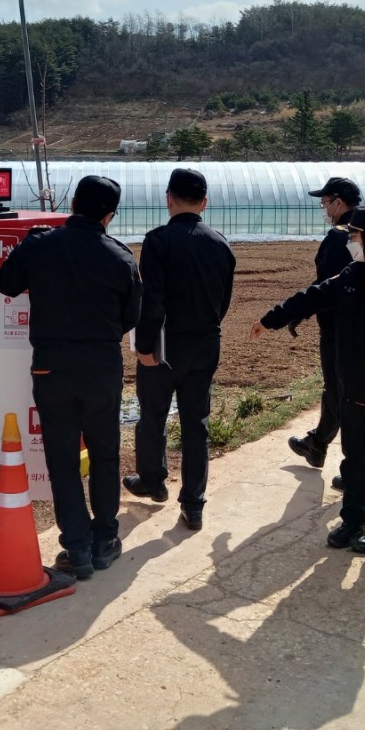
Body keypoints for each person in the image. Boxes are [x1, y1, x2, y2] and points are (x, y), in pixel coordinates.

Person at [250, 206, 365, 554]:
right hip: (351, 388)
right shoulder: (354, 275)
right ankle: (353, 520)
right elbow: (314, 295)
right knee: (353, 460)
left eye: (354, 235)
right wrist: (272, 318)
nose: (350, 241)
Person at [0, 175, 143, 580]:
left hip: (52, 368)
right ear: (110, 215)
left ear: (73, 203)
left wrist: (27, 244)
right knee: (105, 452)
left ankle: (76, 548)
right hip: (101, 369)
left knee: (62, 458)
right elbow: (131, 316)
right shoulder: (121, 257)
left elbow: (6, 283)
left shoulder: (41, 245)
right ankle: (105, 540)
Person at [123, 168, 236, 532]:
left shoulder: (158, 241)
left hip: (165, 343)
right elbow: (223, 301)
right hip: (205, 342)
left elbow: (152, 300)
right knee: (196, 422)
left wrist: (145, 345)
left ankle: (153, 481)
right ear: (204, 202)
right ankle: (194, 503)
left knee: (153, 414)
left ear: (168, 198)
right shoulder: (221, 244)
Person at [287, 176, 362, 485]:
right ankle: (317, 443)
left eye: (325, 202)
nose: (323, 208)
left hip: (338, 328)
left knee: (342, 391)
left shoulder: (338, 237)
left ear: (338, 203)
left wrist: (299, 310)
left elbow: (326, 286)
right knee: (344, 389)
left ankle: (360, 470)